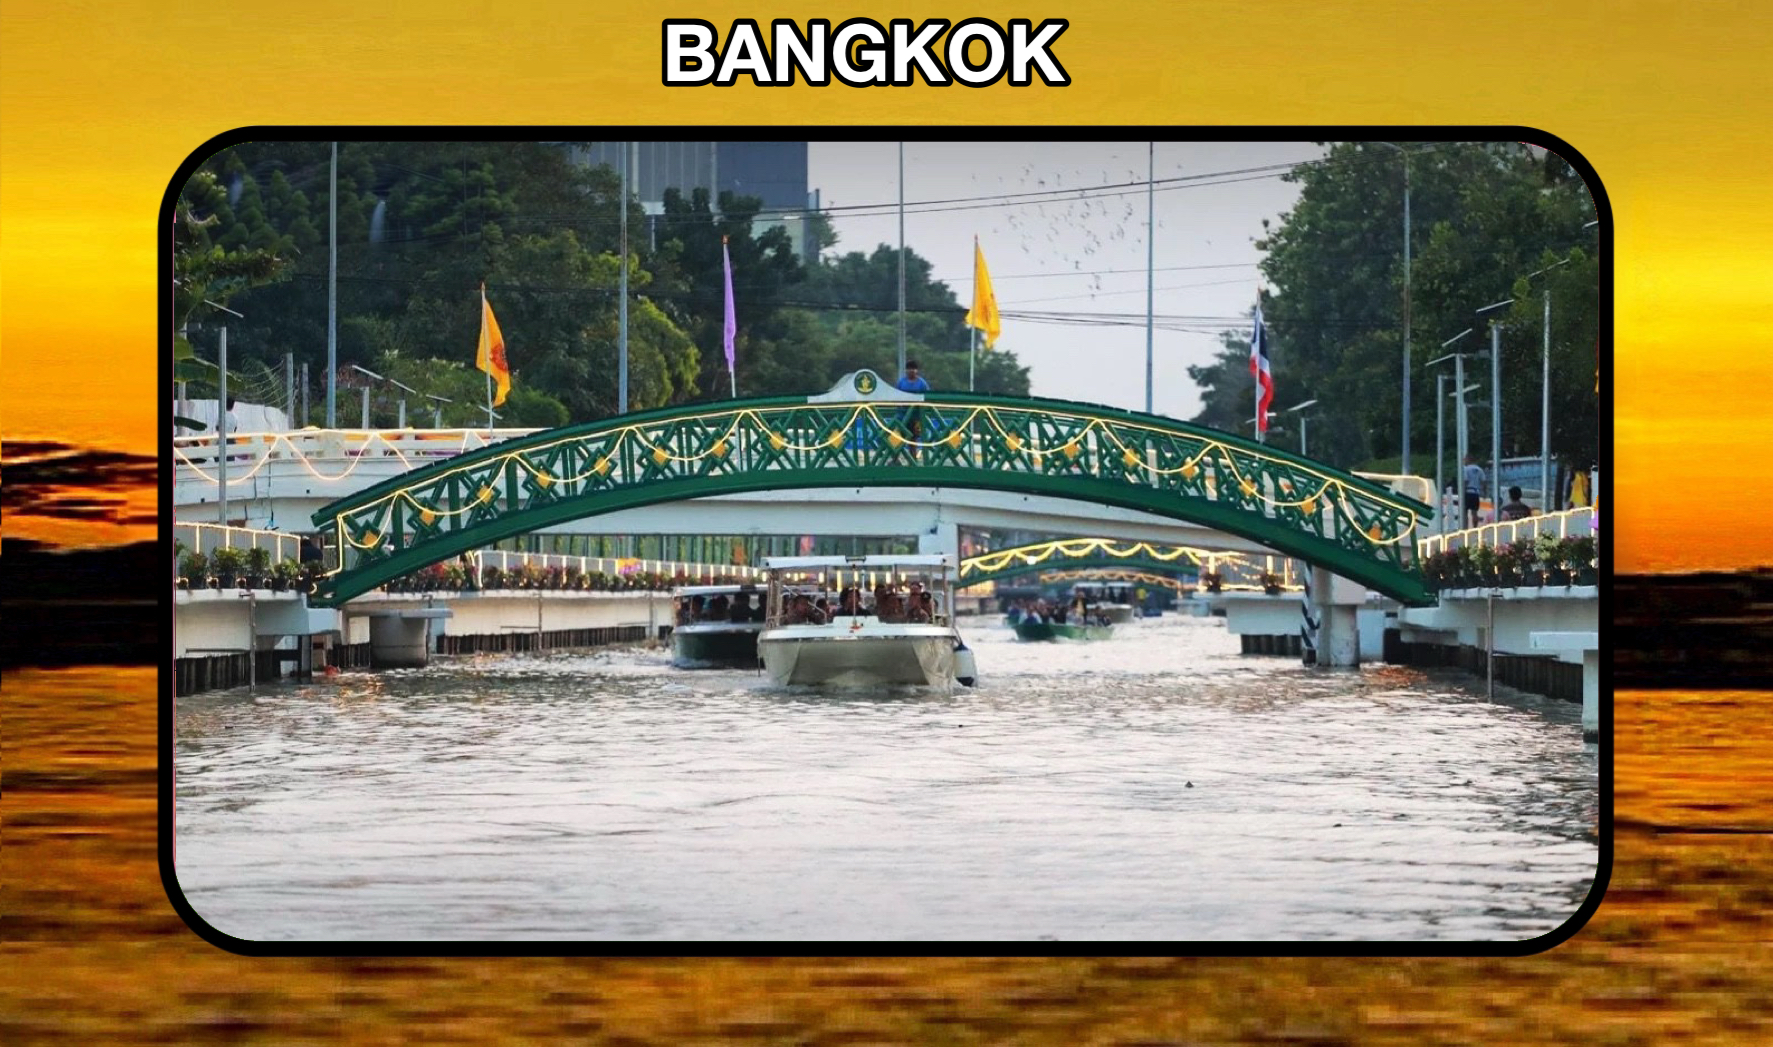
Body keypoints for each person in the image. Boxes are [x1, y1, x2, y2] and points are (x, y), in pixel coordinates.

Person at [896, 359, 930, 456]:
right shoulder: (901, 382)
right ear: (906, 370)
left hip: (916, 417)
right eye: (909, 369)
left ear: (917, 370)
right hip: (902, 416)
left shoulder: (922, 383)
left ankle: (913, 459)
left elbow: (927, 397)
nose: (911, 371)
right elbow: (896, 396)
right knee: (898, 437)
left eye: (913, 369)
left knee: (913, 439)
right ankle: (895, 458)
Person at [1462, 456, 1486, 528]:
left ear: (1468, 460)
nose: (1464, 461)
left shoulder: (1465, 469)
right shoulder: (1479, 469)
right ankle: (1475, 528)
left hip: (1467, 492)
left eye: (1465, 460)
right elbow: (1484, 482)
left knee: (1464, 513)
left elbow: (1466, 480)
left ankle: (1465, 529)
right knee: (1474, 513)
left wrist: (1462, 491)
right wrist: (1484, 492)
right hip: (1475, 493)